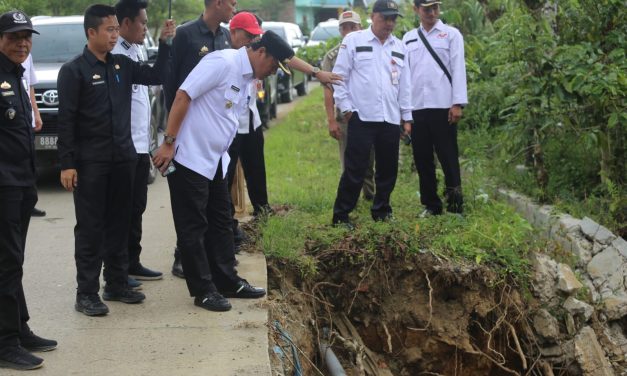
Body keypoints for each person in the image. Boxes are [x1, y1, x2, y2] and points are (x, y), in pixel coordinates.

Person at [151, 30, 294, 312]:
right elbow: (182, 95)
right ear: (261, 52)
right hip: (189, 157)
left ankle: (227, 281)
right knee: (193, 227)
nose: (271, 73)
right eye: (273, 65)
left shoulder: (248, 77)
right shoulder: (223, 63)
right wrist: (168, 142)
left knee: (220, 222)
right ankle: (203, 290)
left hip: (215, 161)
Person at [57, 4, 174, 316]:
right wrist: (67, 163)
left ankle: (117, 282)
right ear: (91, 32)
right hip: (91, 163)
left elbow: (156, 75)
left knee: (120, 223)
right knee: (91, 228)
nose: (114, 35)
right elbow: (66, 120)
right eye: (108, 30)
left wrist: (164, 43)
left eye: (115, 29)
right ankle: (86, 293)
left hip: (122, 158)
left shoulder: (121, 64)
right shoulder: (73, 71)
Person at [226, 12, 343, 246]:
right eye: (249, 35)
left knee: (256, 166)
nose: (253, 39)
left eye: (256, 35)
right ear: (233, 32)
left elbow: (287, 57)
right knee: (225, 177)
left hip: (250, 117)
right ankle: (227, 226)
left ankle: (262, 208)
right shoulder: (224, 57)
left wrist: (316, 73)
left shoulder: (259, 49)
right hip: (227, 124)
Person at [0, 10, 57, 370]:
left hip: (21, 183)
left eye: (27, 36)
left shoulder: (16, 76)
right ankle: (5, 342)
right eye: (14, 36)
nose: (22, 43)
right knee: (5, 264)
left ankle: (19, 328)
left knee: (13, 262)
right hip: (3, 185)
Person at [164, 0, 237, 279]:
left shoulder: (225, 36)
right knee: (190, 202)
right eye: (231, 1)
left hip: (212, 129)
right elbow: (175, 84)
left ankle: (211, 260)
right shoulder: (186, 34)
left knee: (212, 201)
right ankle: (182, 256)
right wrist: (173, 130)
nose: (235, 5)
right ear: (216, 2)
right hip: (186, 126)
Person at [331, 0, 412, 226]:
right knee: (355, 170)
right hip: (361, 117)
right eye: (385, 18)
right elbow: (339, 78)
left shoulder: (399, 46)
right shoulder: (354, 40)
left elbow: (405, 85)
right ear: (373, 16)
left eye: (393, 19)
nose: (389, 23)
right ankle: (341, 215)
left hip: (390, 118)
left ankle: (382, 210)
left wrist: (407, 116)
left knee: (388, 170)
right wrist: (347, 109)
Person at [111, 0, 164, 288]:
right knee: (122, 210)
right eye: (142, 23)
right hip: (125, 145)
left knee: (137, 206)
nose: (146, 27)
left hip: (141, 144)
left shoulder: (135, 48)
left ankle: (132, 261)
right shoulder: (116, 55)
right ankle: (118, 270)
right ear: (126, 24)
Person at [403, 0, 467, 216]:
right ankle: (431, 204)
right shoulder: (409, 38)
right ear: (416, 10)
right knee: (422, 159)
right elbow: (405, 77)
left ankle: (455, 205)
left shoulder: (451, 35)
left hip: (443, 106)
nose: (431, 12)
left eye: (435, 8)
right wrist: (405, 112)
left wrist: (457, 103)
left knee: (448, 156)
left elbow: (458, 70)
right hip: (417, 107)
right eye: (426, 8)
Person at [321, 11, 375, 202]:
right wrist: (331, 121)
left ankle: (370, 195)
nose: (349, 31)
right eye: (345, 27)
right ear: (340, 30)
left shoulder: (373, 49)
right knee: (348, 160)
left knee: (369, 160)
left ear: (360, 28)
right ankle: (350, 200)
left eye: (353, 27)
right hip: (345, 117)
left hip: (368, 115)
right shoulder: (333, 56)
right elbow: (328, 91)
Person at [21, 54, 47, 217]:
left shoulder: (26, 56)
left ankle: (29, 203)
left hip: (27, 118)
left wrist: (36, 114)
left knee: (29, 162)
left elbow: (30, 86)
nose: (22, 43)